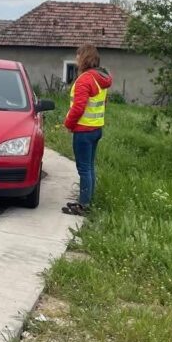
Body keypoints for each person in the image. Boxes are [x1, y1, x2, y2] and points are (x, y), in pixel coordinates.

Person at [63, 43, 113, 215]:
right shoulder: (102, 78)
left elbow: (78, 107)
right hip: (96, 128)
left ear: (84, 57)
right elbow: (103, 103)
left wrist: (68, 124)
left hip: (83, 130)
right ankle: (87, 202)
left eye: (78, 55)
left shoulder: (85, 79)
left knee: (84, 169)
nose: (76, 58)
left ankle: (83, 206)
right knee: (89, 167)